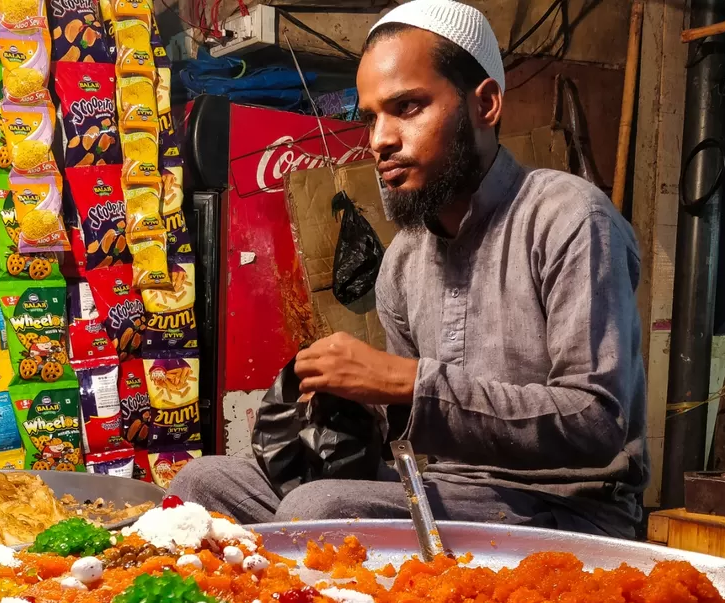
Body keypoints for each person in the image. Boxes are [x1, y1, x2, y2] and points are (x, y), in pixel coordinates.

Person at [171, 0, 648, 537]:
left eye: (408, 108)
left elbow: (595, 422)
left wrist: (407, 385)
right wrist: (336, 409)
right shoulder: (404, 259)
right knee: (203, 486)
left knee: (320, 509)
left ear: (485, 104)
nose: (380, 140)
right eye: (371, 117)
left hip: (563, 503)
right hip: (442, 488)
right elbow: (403, 431)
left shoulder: (568, 218)